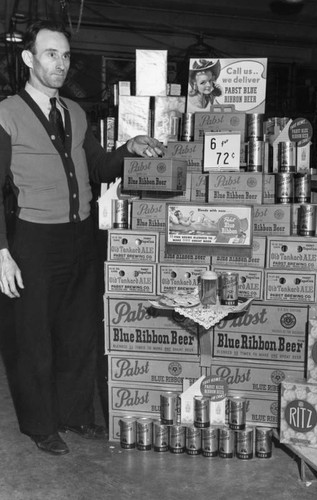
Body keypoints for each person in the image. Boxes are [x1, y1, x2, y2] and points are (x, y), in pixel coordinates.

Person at [0, 19, 164, 456]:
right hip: (33, 239)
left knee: (78, 332)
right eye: (51, 53)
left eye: (66, 55)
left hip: (81, 236)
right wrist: (2, 252)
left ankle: (73, 415)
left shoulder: (75, 112)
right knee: (33, 337)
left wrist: (130, 149)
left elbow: (99, 168)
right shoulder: (6, 113)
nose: (60, 63)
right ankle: (41, 424)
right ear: (28, 59)